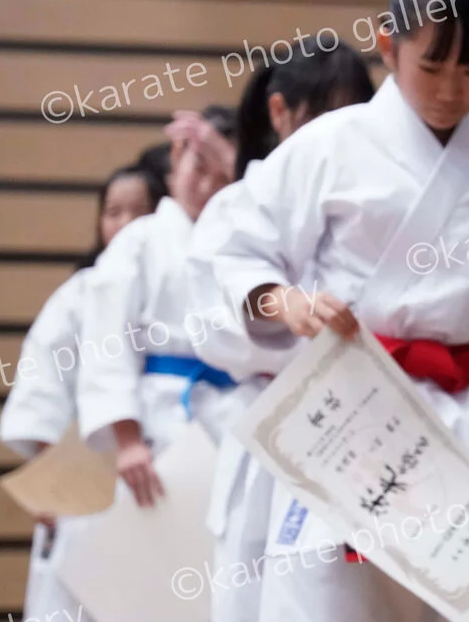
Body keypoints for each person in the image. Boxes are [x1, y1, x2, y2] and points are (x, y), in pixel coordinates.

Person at [207, 0, 469, 622]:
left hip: (467, 425)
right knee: (330, 600)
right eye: (431, 67)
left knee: (463, 602)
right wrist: (283, 300)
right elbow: (238, 247)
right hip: (353, 406)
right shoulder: (329, 145)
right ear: (388, 46)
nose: (451, 89)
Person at [186, 40, 375, 622]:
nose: (337, 133)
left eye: (353, 116)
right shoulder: (237, 204)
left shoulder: (372, 206)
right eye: (324, 114)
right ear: (279, 112)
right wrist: (278, 310)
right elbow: (210, 326)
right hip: (273, 425)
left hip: (369, 421)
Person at [0, 160, 167, 622]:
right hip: (86, 478)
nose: (126, 223)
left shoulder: (175, 286)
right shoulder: (80, 293)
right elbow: (41, 386)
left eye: (140, 211)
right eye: (113, 212)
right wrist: (50, 482)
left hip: (159, 473)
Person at [74, 107, 238, 511]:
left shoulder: (244, 240)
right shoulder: (139, 241)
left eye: (222, 175)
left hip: (236, 413)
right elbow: (107, 340)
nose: (208, 185)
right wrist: (128, 439)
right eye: (200, 168)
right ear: (176, 159)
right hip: (161, 419)